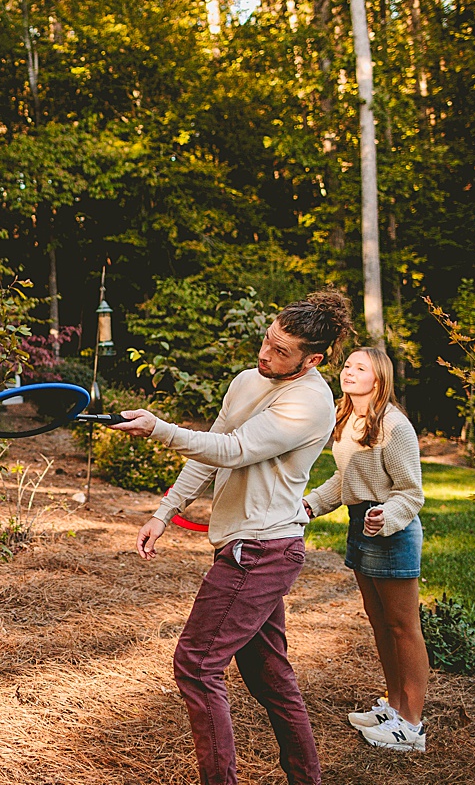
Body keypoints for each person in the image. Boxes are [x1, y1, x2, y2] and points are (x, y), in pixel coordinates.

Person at [117, 290, 354, 785]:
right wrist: (166, 511)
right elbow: (209, 449)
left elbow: (234, 450)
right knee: (272, 677)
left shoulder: (310, 402)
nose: (266, 355)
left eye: (282, 351)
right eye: (267, 341)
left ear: (312, 360)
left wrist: (160, 428)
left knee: (196, 666)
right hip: (249, 545)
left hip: (263, 550)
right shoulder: (249, 380)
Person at [303, 347, 427, 752]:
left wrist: (385, 517)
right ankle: (393, 707)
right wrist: (312, 504)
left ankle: (411, 726)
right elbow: (346, 478)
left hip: (392, 530)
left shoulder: (394, 426)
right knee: (379, 622)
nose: (349, 372)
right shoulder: (347, 420)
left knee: (402, 628)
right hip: (361, 526)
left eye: (361, 367)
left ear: (379, 379)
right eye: (348, 365)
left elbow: (411, 493)